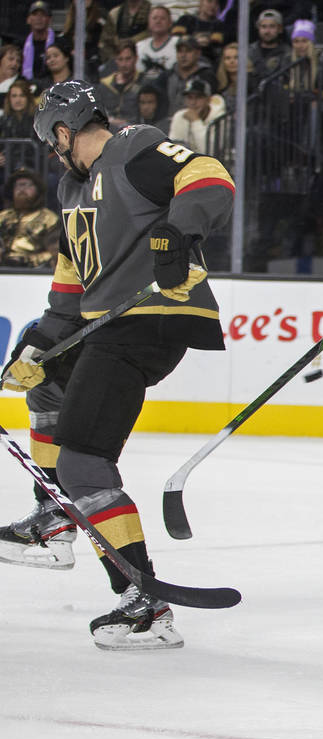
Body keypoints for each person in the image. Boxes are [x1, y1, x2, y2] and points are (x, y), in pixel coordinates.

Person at [0, 80, 234, 650]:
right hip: (107, 322)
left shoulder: (132, 147)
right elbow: (70, 281)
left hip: (153, 316)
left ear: (61, 131)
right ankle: (55, 516)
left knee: (85, 462)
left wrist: (179, 231)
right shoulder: (71, 190)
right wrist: (39, 344)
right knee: (48, 388)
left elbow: (210, 175)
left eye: (54, 141)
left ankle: (144, 605)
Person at [0, 167, 59, 269]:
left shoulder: (49, 219)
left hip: (34, 272)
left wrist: (28, 260)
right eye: (18, 185)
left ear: (38, 190)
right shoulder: (3, 216)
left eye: (28, 185)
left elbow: (56, 252)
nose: (22, 189)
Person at [157, 35, 217, 118]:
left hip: (198, 123)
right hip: (170, 124)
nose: (183, 55)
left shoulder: (207, 76)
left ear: (198, 53)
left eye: (188, 51)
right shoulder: (166, 76)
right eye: (180, 51)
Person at [61, 0, 118, 80]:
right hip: (72, 60)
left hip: (96, 61)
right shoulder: (70, 18)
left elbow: (106, 44)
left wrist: (87, 53)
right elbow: (65, 40)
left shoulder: (101, 17)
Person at [168, 76, 225, 154]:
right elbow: (173, 150)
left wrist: (196, 121)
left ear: (208, 100)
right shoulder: (180, 116)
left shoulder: (220, 118)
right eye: (190, 98)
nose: (193, 102)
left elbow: (209, 151)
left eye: (198, 97)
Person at [96, 39, 145, 129]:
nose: (124, 64)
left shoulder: (144, 82)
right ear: (115, 60)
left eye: (128, 59)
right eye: (120, 59)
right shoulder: (104, 85)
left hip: (136, 131)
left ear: (136, 58)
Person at [172, 0, 234, 67]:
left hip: (209, 66)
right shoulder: (185, 20)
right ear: (201, 2)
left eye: (216, 3)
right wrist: (194, 41)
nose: (213, 6)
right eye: (209, 1)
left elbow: (217, 48)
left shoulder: (220, 26)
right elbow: (174, 40)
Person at [248, 9, 292, 87]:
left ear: (280, 29)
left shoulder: (288, 53)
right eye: (263, 27)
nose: (267, 31)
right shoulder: (249, 51)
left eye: (272, 27)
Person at [136, 4, 179, 81]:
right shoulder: (139, 46)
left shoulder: (178, 43)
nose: (158, 21)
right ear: (148, 23)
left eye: (163, 18)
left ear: (170, 23)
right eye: (154, 18)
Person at [21, 1, 55, 83]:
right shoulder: (21, 45)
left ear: (49, 19)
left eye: (43, 15)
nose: (38, 18)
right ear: (28, 19)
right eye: (35, 14)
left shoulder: (58, 43)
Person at [288, 19, 318, 93]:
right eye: (296, 41)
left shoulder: (321, 62)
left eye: (304, 41)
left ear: (311, 43)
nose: (300, 46)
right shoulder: (287, 60)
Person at [214, 41, 245, 111]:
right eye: (228, 58)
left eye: (236, 57)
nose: (232, 61)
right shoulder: (220, 86)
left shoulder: (251, 83)